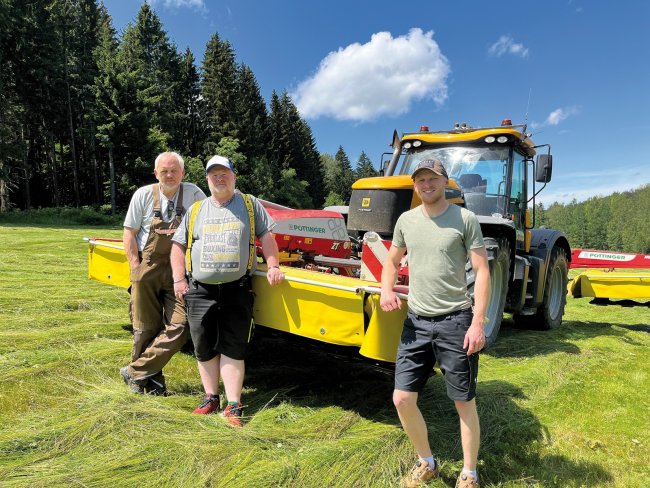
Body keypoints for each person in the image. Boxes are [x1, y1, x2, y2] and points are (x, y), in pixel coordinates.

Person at [380, 159, 490, 488]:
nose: (426, 184)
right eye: (420, 180)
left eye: (432, 178)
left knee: (462, 400)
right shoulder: (406, 221)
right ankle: (426, 461)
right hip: (416, 323)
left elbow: (482, 271)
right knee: (402, 398)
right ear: (415, 185)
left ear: (444, 181)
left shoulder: (465, 219)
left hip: (456, 321)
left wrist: (478, 323)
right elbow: (391, 260)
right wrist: (387, 289)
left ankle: (469, 471)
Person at [170, 155, 284, 426]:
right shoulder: (196, 210)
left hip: (237, 288)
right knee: (203, 345)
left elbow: (266, 236)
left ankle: (233, 404)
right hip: (199, 290)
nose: (219, 178)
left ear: (234, 176)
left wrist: (273, 265)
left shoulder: (249, 204)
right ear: (207, 179)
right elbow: (178, 246)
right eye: (214, 174)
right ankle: (211, 398)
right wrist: (178, 280)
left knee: (234, 345)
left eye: (224, 173)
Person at [120, 151, 206, 396]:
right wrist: (135, 267)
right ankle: (150, 384)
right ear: (156, 173)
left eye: (174, 170)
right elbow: (129, 232)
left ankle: (134, 371)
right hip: (147, 267)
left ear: (183, 173)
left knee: (181, 325)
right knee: (145, 327)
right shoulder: (143, 195)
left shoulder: (194, 194)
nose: (170, 175)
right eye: (164, 171)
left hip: (179, 271)